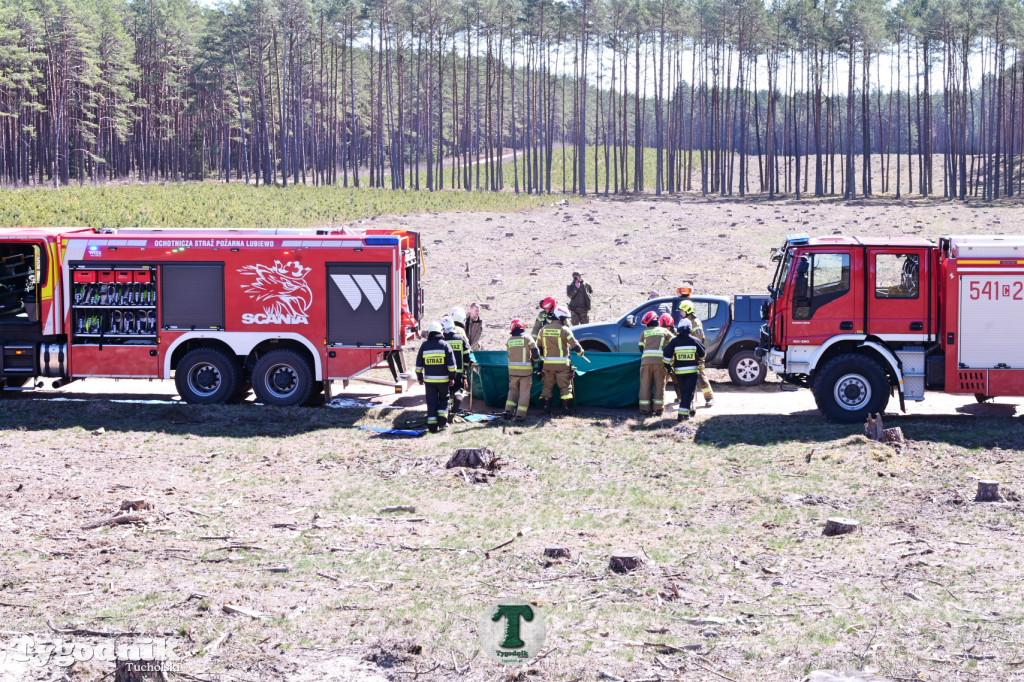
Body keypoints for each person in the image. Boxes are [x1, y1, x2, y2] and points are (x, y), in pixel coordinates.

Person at [538, 305, 584, 416]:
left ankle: (546, 408)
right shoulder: (564, 330)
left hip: (547, 365)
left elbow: (538, 347)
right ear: (560, 318)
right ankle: (566, 409)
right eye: (565, 318)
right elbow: (575, 346)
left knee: (547, 386)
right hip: (562, 365)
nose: (566, 321)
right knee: (565, 387)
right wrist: (581, 353)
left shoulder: (543, 329)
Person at [415, 322, 457, 433]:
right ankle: (442, 421)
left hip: (429, 381)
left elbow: (419, 364)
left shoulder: (424, 345)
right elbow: (452, 365)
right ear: (440, 332)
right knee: (444, 399)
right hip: (443, 380)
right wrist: (452, 377)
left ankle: (432, 427)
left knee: (431, 402)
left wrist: (419, 377)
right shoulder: (445, 345)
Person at [663, 318, 705, 422]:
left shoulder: (674, 341)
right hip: (692, 372)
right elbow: (703, 354)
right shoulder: (695, 341)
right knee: (688, 392)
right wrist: (698, 359)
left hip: (679, 373)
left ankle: (691, 410)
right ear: (689, 328)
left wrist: (668, 367)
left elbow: (666, 355)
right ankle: (682, 416)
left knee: (684, 392)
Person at [678, 299, 714, 407]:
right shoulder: (684, 321)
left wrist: (697, 355)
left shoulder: (695, 322)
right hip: (687, 353)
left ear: (687, 310)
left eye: (682, 311)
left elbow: (698, 340)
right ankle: (682, 396)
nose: (680, 313)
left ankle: (709, 398)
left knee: (701, 376)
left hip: (696, 354)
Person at [638, 311, 673, 417]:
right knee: (659, 385)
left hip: (646, 363)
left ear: (648, 323)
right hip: (660, 363)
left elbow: (641, 348)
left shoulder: (645, 332)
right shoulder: (664, 331)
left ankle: (644, 410)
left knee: (645, 386)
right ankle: (658, 410)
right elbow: (675, 342)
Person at [504, 318, 539, 421]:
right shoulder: (528, 338)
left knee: (512, 392)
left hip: (513, 372)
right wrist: (534, 362)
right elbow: (536, 354)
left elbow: (509, 354)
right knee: (524, 393)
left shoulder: (509, 341)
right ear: (523, 327)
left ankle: (508, 412)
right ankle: (520, 416)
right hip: (526, 373)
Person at [441, 311, 472, 421]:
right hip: (458, 371)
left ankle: (447, 411)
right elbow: (467, 354)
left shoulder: (441, 340)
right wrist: (465, 367)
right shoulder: (460, 338)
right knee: (457, 389)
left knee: (446, 392)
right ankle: (456, 402)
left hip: (444, 372)